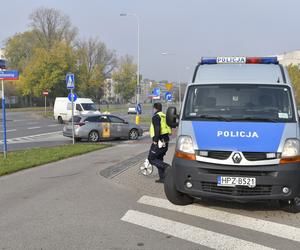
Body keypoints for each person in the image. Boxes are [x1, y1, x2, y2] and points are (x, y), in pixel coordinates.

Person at [148, 102, 172, 183]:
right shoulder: (164, 116)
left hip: (159, 141)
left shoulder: (156, 117)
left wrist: (155, 140)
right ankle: (163, 178)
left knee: (151, 158)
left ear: (155, 108)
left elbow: (157, 129)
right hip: (166, 140)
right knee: (159, 159)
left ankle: (167, 167)